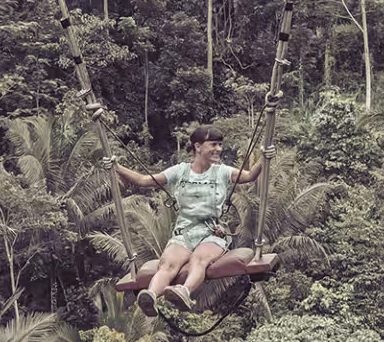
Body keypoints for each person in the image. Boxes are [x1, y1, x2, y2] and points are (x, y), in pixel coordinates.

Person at [103, 125, 275, 316]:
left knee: (199, 259)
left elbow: (250, 176)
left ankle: (184, 291)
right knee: (167, 264)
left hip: (211, 231)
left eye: (220, 145)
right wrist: (116, 168)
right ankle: (150, 296)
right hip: (184, 231)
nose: (218, 149)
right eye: (213, 144)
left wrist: (264, 159)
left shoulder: (223, 172)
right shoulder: (180, 171)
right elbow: (144, 180)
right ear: (198, 146)